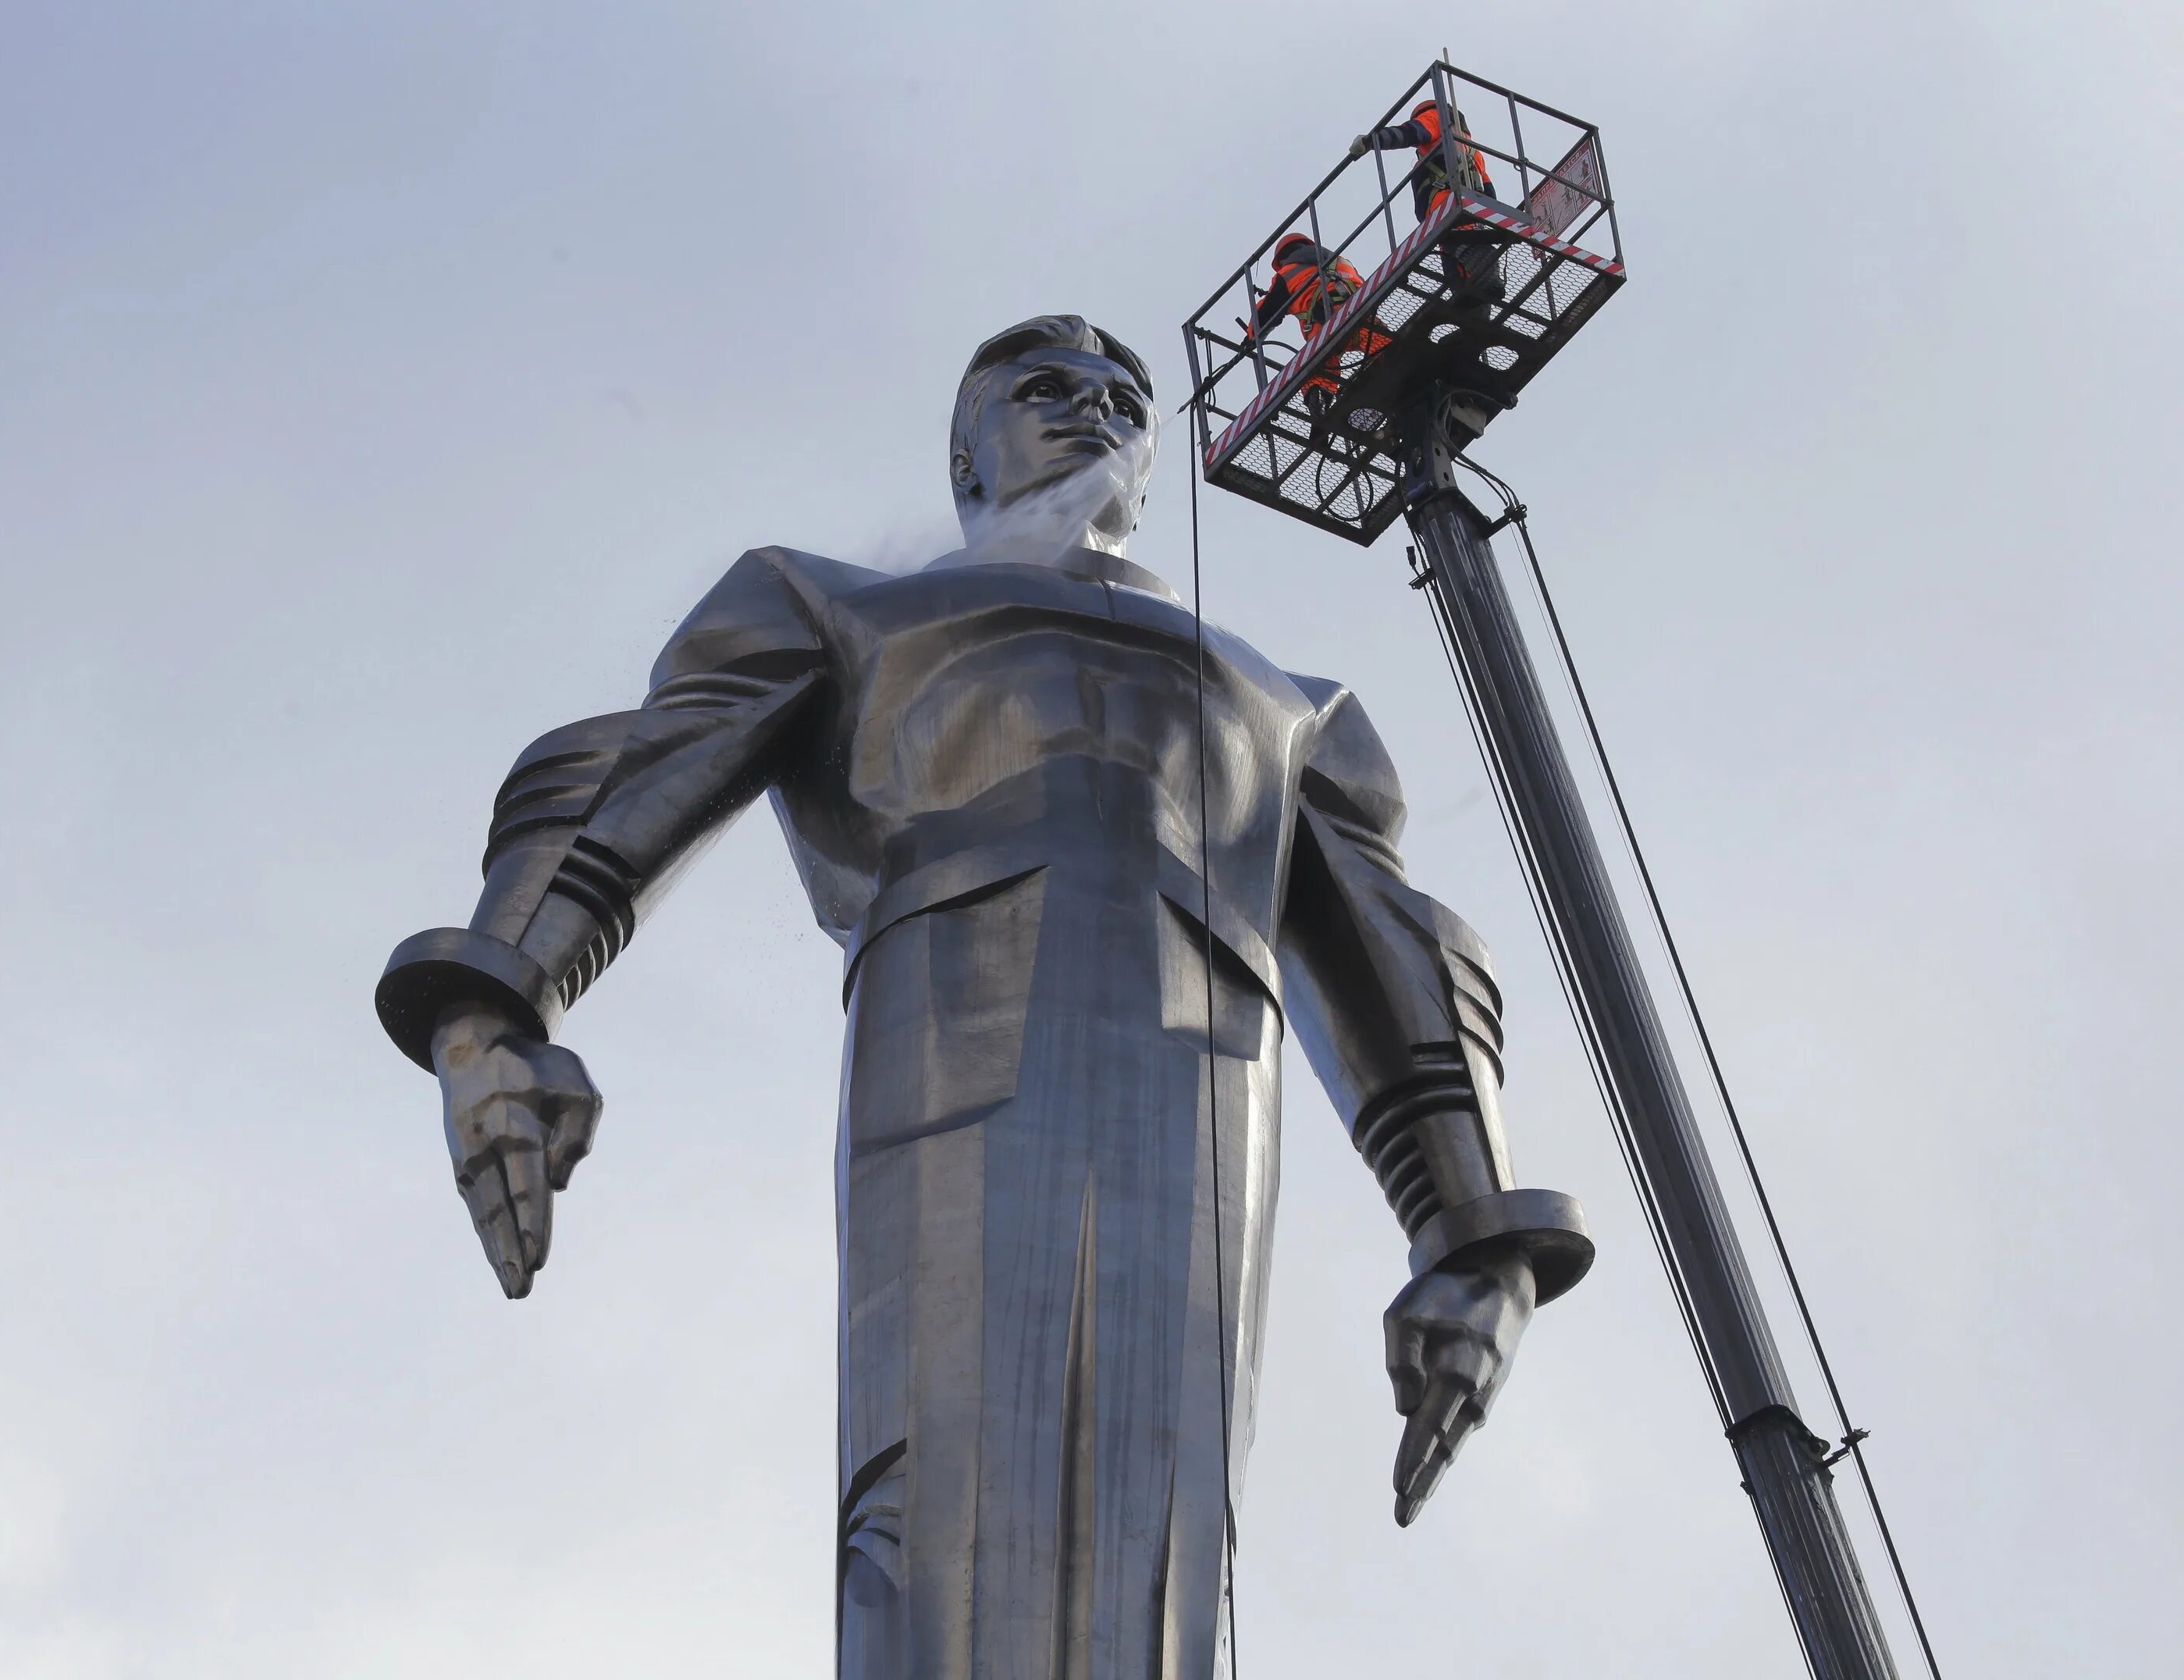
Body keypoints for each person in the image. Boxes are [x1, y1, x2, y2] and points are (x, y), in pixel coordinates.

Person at [375, 315, 1589, 1679]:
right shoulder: (849, 610)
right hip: (948, 1070)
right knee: (937, 1518)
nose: (1094, 410)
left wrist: (1473, 1231)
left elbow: (1399, 947)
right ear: (968, 457)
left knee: (1165, 1542)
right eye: (1046, 390)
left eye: (1126, 398)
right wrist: (496, 1003)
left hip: (1203, 1102)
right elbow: (639, 765)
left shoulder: (1287, 708)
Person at [1350, 99, 1506, 303]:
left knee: (1463, 260)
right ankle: (1476, 314)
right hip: (1462, 219)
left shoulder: (1435, 117)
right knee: (1464, 272)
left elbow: (1410, 133)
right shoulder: (1471, 149)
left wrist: (1373, 140)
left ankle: (1479, 299)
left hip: (1448, 211)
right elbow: (1490, 193)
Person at [1245, 233, 1394, 419]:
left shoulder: (1287, 274)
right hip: (1358, 312)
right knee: (1382, 342)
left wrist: (1251, 336)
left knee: (1319, 367)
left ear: (1283, 259)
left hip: (1323, 326)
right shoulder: (1342, 260)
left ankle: (1319, 402)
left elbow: (1267, 313)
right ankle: (1393, 360)